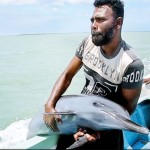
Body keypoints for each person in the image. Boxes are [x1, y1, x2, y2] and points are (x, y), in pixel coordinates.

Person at [44, 0, 144, 149]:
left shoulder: (131, 63)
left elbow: (127, 110)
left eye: (101, 19)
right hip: (79, 119)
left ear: (118, 23)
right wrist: (50, 104)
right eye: (92, 20)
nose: (93, 25)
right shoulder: (87, 43)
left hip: (107, 133)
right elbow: (67, 75)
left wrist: (98, 131)